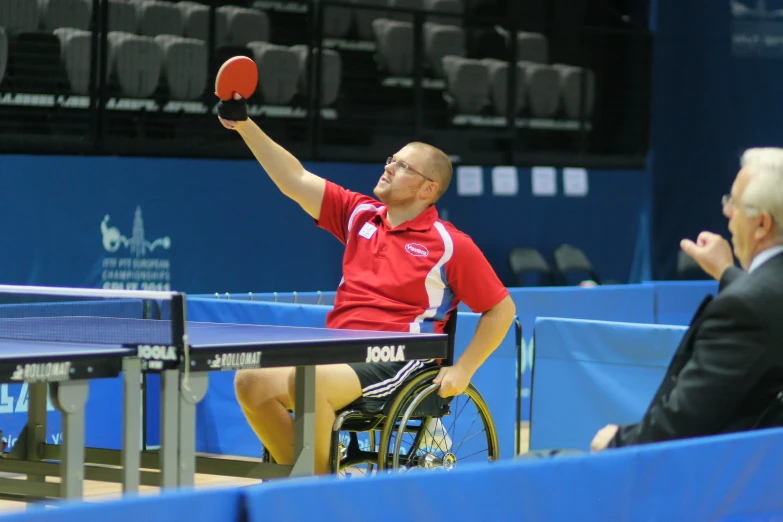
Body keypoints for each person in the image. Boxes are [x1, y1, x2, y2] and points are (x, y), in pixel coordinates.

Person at [216, 94, 517, 474]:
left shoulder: (450, 244)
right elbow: (294, 179)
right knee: (251, 381)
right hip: (337, 350)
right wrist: (244, 124)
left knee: (311, 382)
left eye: (403, 165)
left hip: (397, 357)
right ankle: (309, 483)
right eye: (391, 160)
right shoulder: (359, 215)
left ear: (428, 189)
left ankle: (317, 498)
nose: (389, 167)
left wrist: (464, 370)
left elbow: (501, 309)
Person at [591, 147, 783, 452]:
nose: (727, 212)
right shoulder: (760, 301)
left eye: (735, 202)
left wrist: (615, 444)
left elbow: (683, 424)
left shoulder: (742, 311)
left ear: (762, 225)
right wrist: (725, 271)